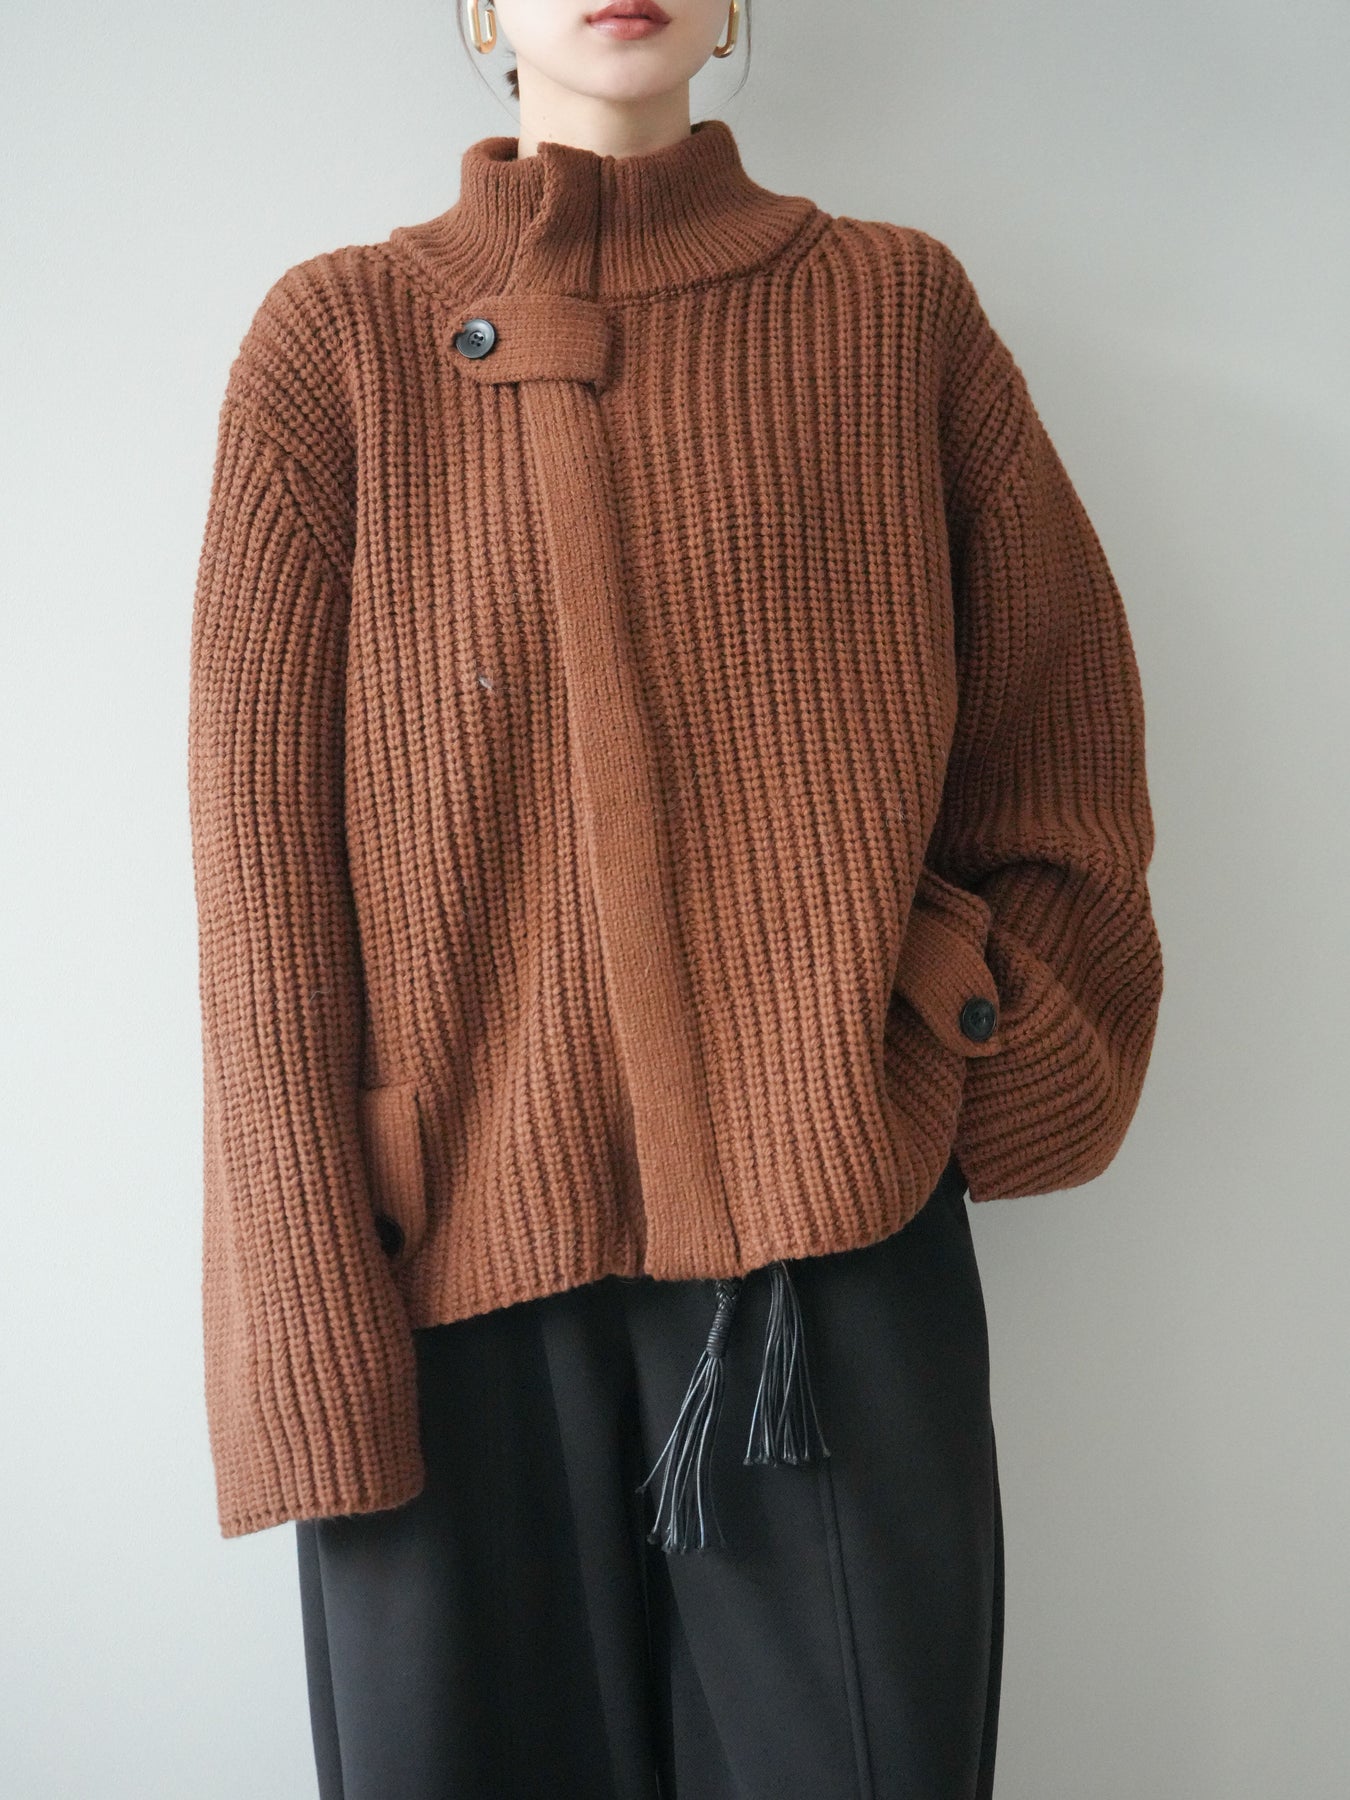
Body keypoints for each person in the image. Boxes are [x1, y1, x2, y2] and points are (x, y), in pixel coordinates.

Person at [186, 1, 1164, 1793]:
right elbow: (259, 892)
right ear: (476, 9)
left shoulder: (893, 311)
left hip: (830, 1269)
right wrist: (306, 1333)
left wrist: (954, 1029)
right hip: (441, 1284)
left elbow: (1058, 749)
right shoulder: (334, 345)